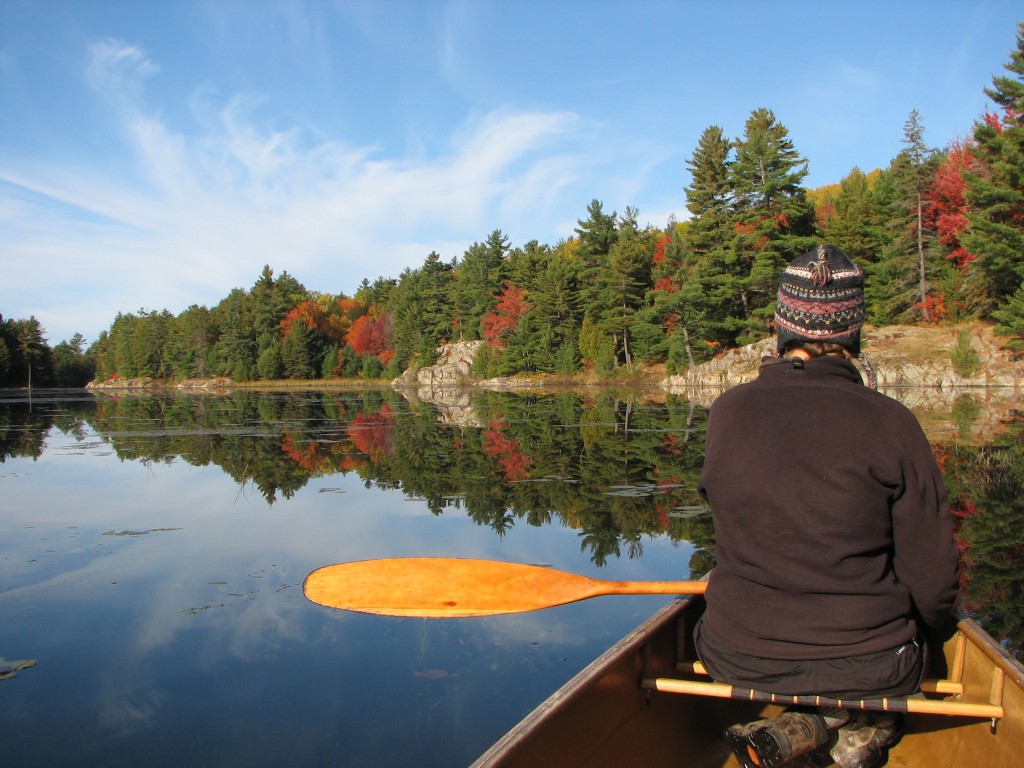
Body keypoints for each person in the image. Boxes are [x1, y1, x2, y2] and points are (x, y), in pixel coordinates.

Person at [693, 244, 961, 768]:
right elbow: (933, 579)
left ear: (780, 326)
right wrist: (933, 633)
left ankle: (812, 727)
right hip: (870, 665)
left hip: (734, 656)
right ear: (852, 332)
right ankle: (845, 728)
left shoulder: (727, 412)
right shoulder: (891, 421)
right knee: (903, 665)